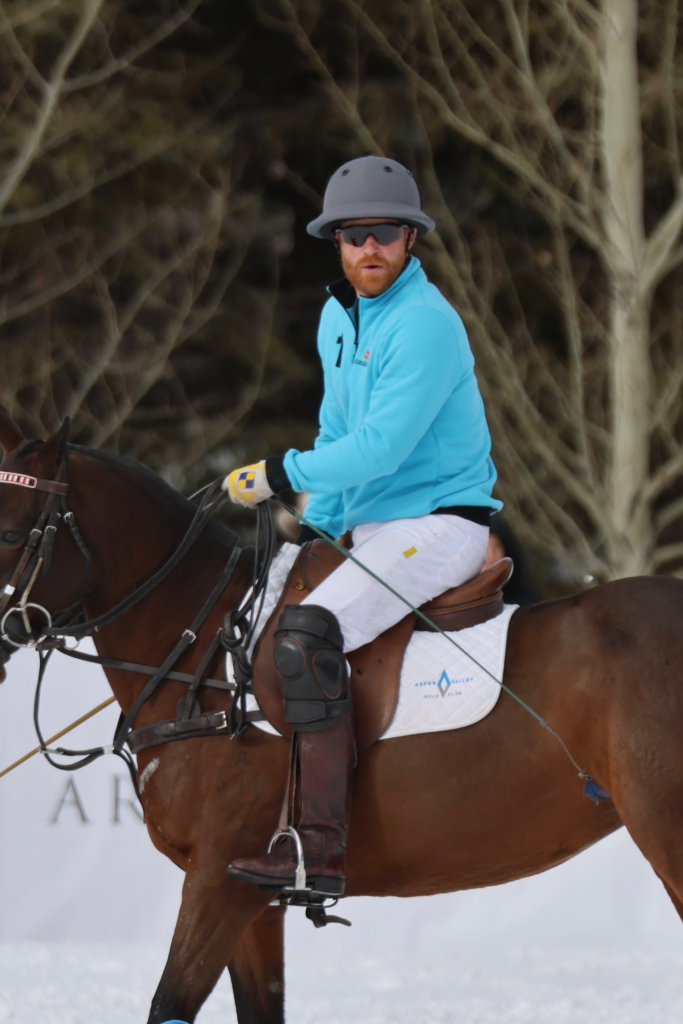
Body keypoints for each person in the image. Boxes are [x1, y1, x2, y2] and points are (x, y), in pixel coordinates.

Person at [223, 156, 501, 896]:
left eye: (383, 232)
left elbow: (380, 447)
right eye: (352, 235)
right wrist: (310, 538)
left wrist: (280, 473)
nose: (367, 248)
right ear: (336, 243)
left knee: (308, 629)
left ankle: (319, 848)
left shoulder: (425, 324)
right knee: (267, 613)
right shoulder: (336, 316)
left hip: (441, 523)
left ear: (411, 239)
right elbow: (336, 432)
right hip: (373, 527)